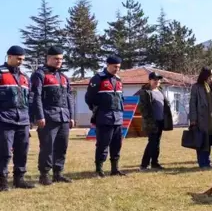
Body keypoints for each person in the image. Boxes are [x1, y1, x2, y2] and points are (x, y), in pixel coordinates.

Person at [30, 46, 75, 185]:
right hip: (48, 117)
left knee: (62, 146)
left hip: (63, 117)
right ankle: (44, 175)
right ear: (48, 58)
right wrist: (39, 116)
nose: (59, 61)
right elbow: (36, 96)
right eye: (56, 59)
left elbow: (69, 97)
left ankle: (58, 173)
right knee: (47, 147)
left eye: (61, 59)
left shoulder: (63, 77)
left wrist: (71, 116)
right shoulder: (40, 74)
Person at [85, 55, 126, 177]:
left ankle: (115, 169)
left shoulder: (118, 80)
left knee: (117, 144)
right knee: (103, 144)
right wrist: (96, 109)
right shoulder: (98, 79)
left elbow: (121, 98)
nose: (116, 69)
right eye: (114, 67)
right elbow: (89, 97)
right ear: (107, 65)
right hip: (104, 117)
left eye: (118, 67)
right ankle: (99, 169)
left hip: (117, 117)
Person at [0, 45, 34, 191]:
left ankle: (19, 179)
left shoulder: (24, 77)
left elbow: (30, 99)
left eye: (23, 60)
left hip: (23, 120)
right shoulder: (1, 74)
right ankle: (2, 181)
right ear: (9, 57)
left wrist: (31, 119)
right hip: (4, 120)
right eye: (18, 59)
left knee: (22, 150)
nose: (21, 62)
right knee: (4, 152)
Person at [136, 71, 173, 171]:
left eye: (158, 80)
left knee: (156, 142)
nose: (157, 81)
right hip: (151, 122)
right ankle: (144, 165)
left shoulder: (160, 91)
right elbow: (143, 108)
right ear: (149, 80)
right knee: (152, 142)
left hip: (161, 121)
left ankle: (155, 163)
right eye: (154, 79)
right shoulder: (145, 92)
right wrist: (150, 120)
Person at [189, 67, 212, 169]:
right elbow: (192, 104)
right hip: (201, 119)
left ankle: (207, 161)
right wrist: (193, 119)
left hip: (211, 119)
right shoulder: (196, 87)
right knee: (201, 141)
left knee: (209, 140)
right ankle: (202, 163)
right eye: (210, 75)